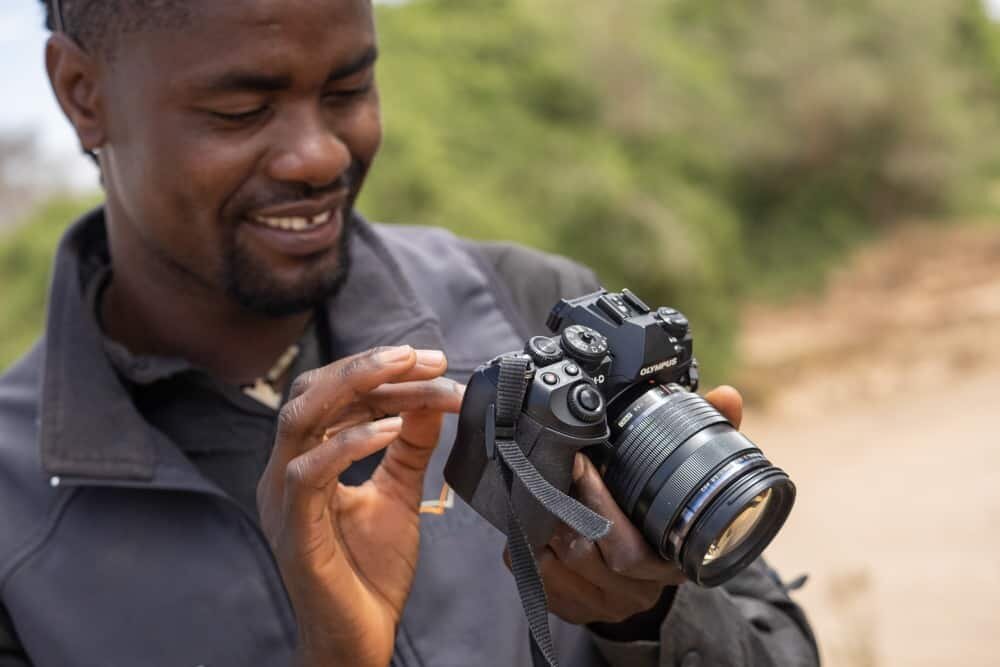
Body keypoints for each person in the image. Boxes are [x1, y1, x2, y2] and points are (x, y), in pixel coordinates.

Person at [0, 1, 818, 665]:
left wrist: (649, 622)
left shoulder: (533, 306)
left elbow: (781, 646)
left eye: (349, 90)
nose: (319, 156)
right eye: (241, 110)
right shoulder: (13, 515)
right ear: (82, 93)